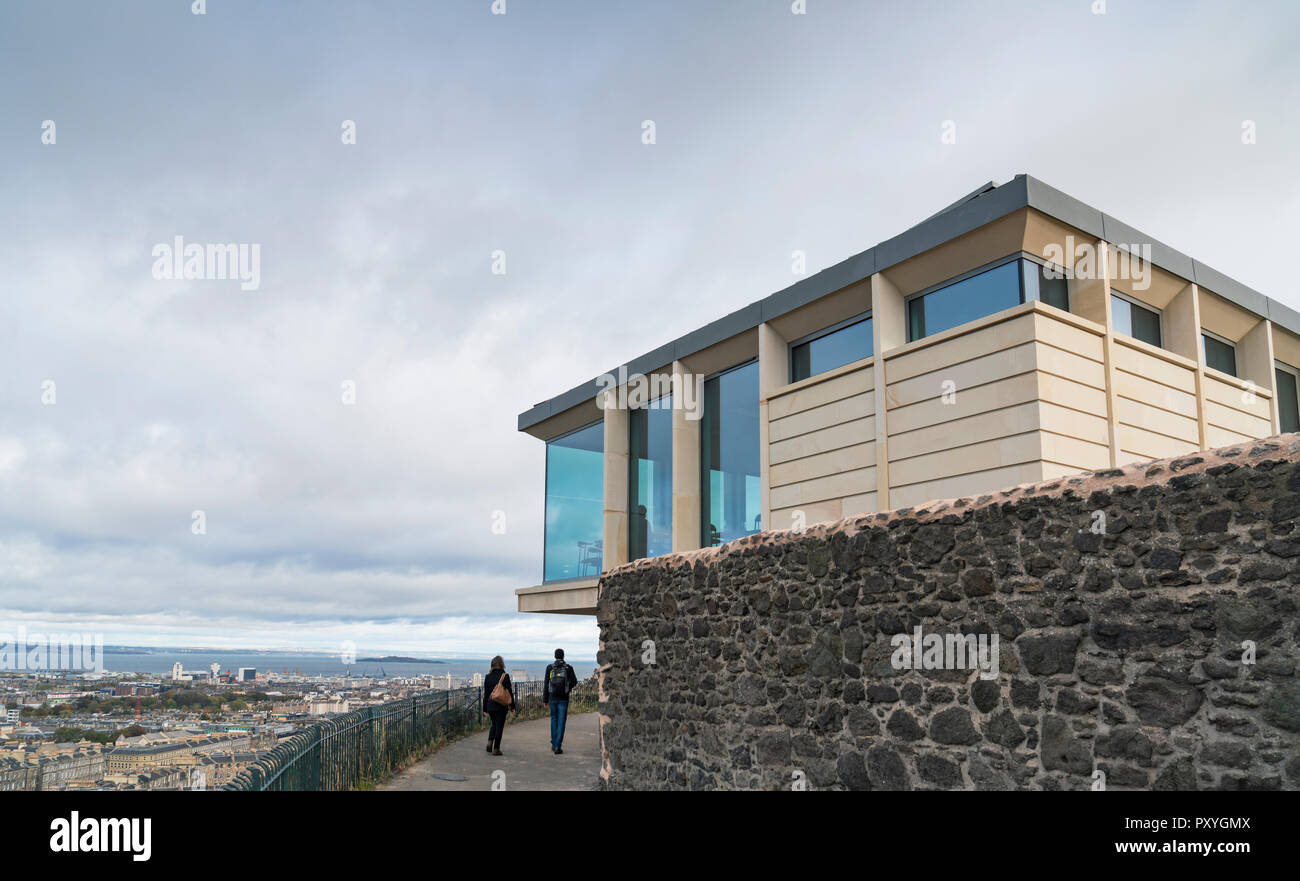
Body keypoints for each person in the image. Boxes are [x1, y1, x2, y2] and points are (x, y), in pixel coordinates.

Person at [542, 648, 579, 754]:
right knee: (562, 721)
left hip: (552, 697)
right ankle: (558, 746)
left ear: (555, 656)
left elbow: (546, 684)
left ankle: (554, 743)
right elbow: (574, 681)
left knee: (554, 719)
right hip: (564, 698)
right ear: (563, 656)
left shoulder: (549, 668)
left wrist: (545, 699)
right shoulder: (568, 668)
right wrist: (567, 688)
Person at [482, 656, 515, 756]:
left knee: (494, 724)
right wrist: (512, 707)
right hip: (501, 706)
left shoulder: (488, 676)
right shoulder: (505, 676)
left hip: (490, 705)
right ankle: (496, 748)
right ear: (502, 664)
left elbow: (486, 694)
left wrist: (485, 709)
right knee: (499, 726)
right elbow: (509, 692)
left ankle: (489, 743)